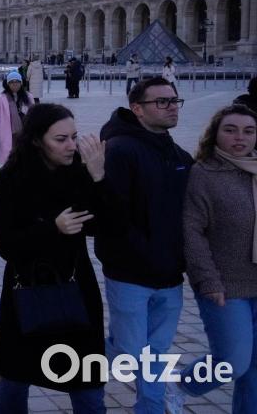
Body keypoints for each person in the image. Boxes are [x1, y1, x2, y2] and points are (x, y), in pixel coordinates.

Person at [0, 104, 109, 413]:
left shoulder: (80, 173)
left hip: (76, 291)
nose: (71, 145)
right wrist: (51, 230)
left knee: (87, 386)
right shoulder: (9, 179)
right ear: (36, 140)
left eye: (74, 136)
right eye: (61, 139)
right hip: (27, 292)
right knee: (15, 381)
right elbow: (4, 244)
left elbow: (104, 225)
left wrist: (98, 179)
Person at [97, 77, 194, 413]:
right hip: (130, 273)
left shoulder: (179, 154)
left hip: (170, 275)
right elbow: (114, 216)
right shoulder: (120, 150)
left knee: (157, 351)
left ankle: (150, 407)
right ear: (137, 109)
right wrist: (148, 254)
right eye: (162, 102)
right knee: (129, 352)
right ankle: (86, 356)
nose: (171, 107)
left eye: (174, 101)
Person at [166, 104, 257, 414]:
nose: (239, 138)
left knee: (254, 370)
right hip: (224, 284)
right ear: (215, 134)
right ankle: (182, 385)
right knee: (232, 361)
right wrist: (207, 279)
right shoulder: (204, 173)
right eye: (230, 130)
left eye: (248, 131)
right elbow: (192, 232)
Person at [0, 71, 34, 164]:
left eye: (17, 82)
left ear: (21, 83)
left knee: (26, 157)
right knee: (11, 159)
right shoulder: (1, 99)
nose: (15, 84)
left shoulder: (28, 97)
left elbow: (34, 115)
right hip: (9, 134)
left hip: (25, 133)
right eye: (12, 82)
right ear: (7, 84)